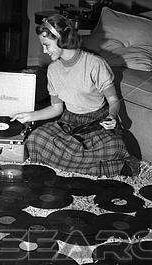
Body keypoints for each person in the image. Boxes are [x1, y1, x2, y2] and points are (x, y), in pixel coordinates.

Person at [12, 15, 138, 177]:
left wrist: (112, 116)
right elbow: (56, 109)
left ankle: (75, 162)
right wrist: (28, 116)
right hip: (69, 122)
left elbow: (113, 100)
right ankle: (96, 166)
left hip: (96, 122)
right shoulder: (52, 70)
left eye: (46, 45)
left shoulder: (95, 64)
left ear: (61, 39)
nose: (44, 51)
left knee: (114, 147)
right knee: (36, 139)